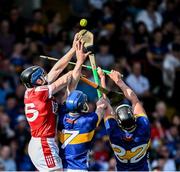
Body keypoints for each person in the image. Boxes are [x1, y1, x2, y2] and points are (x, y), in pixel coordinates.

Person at [20, 34, 89, 170]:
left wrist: (73, 50)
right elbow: (65, 78)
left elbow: (57, 70)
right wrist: (80, 62)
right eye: (41, 77)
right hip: (44, 144)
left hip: (42, 143)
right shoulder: (40, 92)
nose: (44, 77)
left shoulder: (33, 91)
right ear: (36, 81)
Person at [97, 68, 151, 171]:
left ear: (119, 123)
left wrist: (102, 78)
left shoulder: (114, 132)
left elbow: (105, 105)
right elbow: (135, 100)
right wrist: (119, 81)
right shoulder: (144, 127)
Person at [58, 90, 108, 171]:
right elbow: (101, 109)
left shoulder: (61, 117)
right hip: (79, 167)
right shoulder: (88, 120)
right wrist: (102, 101)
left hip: (61, 167)